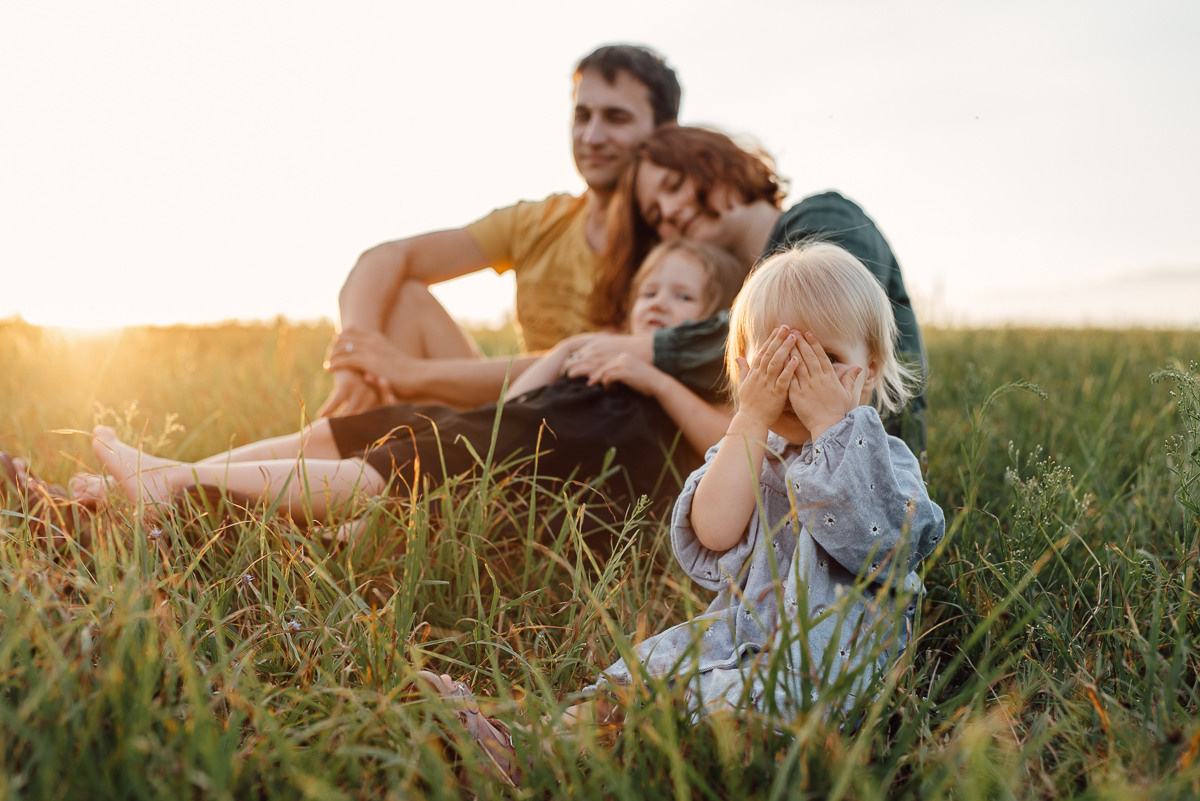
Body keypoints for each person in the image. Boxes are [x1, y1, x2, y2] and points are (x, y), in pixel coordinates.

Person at [416, 243, 945, 784]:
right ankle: (525, 752)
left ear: (869, 370)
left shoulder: (882, 459)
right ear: (744, 368)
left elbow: (882, 544)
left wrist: (833, 429)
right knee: (640, 676)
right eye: (774, 361)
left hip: (827, 663)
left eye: (824, 360)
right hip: (733, 638)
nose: (794, 381)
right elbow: (713, 533)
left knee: (730, 718)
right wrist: (749, 420)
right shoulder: (750, 454)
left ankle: (659, 762)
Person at [69, 239, 746, 523]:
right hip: (517, 425)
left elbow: (729, 439)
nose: (659, 302)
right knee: (350, 432)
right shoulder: (596, 347)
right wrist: (467, 421)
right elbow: (519, 397)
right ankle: (169, 477)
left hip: (576, 456)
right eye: (650, 289)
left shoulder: (700, 380)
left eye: (682, 299)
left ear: (711, 324)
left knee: (395, 466)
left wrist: (655, 383)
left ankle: (176, 484)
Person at [320, 44, 682, 416]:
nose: (591, 136)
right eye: (582, 115)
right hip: (516, 412)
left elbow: (584, 361)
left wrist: (412, 373)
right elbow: (385, 257)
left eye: (616, 118)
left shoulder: (678, 243)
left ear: (665, 131)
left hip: (597, 430)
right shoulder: (538, 221)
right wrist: (355, 361)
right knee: (405, 298)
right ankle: (373, 443)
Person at [591, 125, 929, 459]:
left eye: (675, 185)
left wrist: (646, 350)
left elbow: (822, 327)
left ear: (723, 165)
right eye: (655, 215)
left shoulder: (825, 216)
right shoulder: (726, 294)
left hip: (869, 465)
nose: (669, 211)